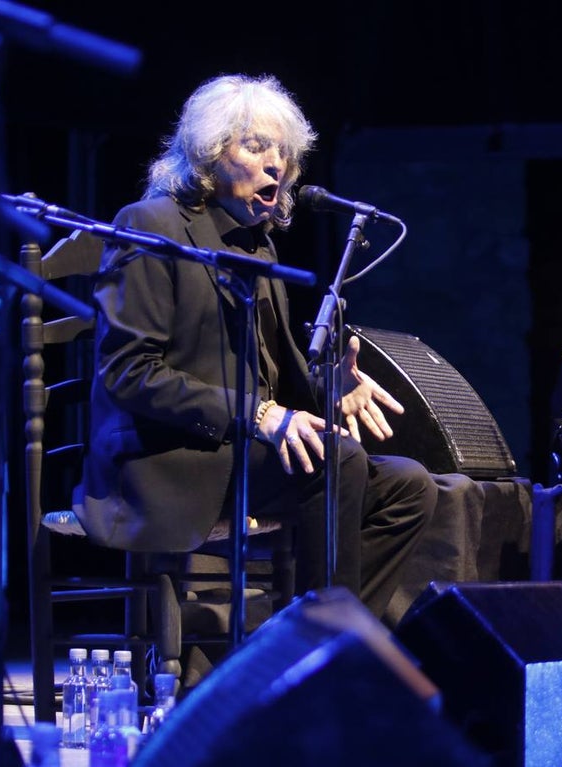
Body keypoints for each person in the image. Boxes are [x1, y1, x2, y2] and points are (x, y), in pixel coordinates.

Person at [79, 73, 436, 625]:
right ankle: (323, 650)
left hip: (243, 455)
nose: (278, 165)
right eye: (257, 146)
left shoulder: (259, 246)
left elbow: (272, 380)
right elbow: (128, 373)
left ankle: (317, 641)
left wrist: (327, 390)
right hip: (163, 458)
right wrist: (260, 414)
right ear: (209, 154)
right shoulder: (149, 226)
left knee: (408, 485)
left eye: (285, 154)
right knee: (337, 460)